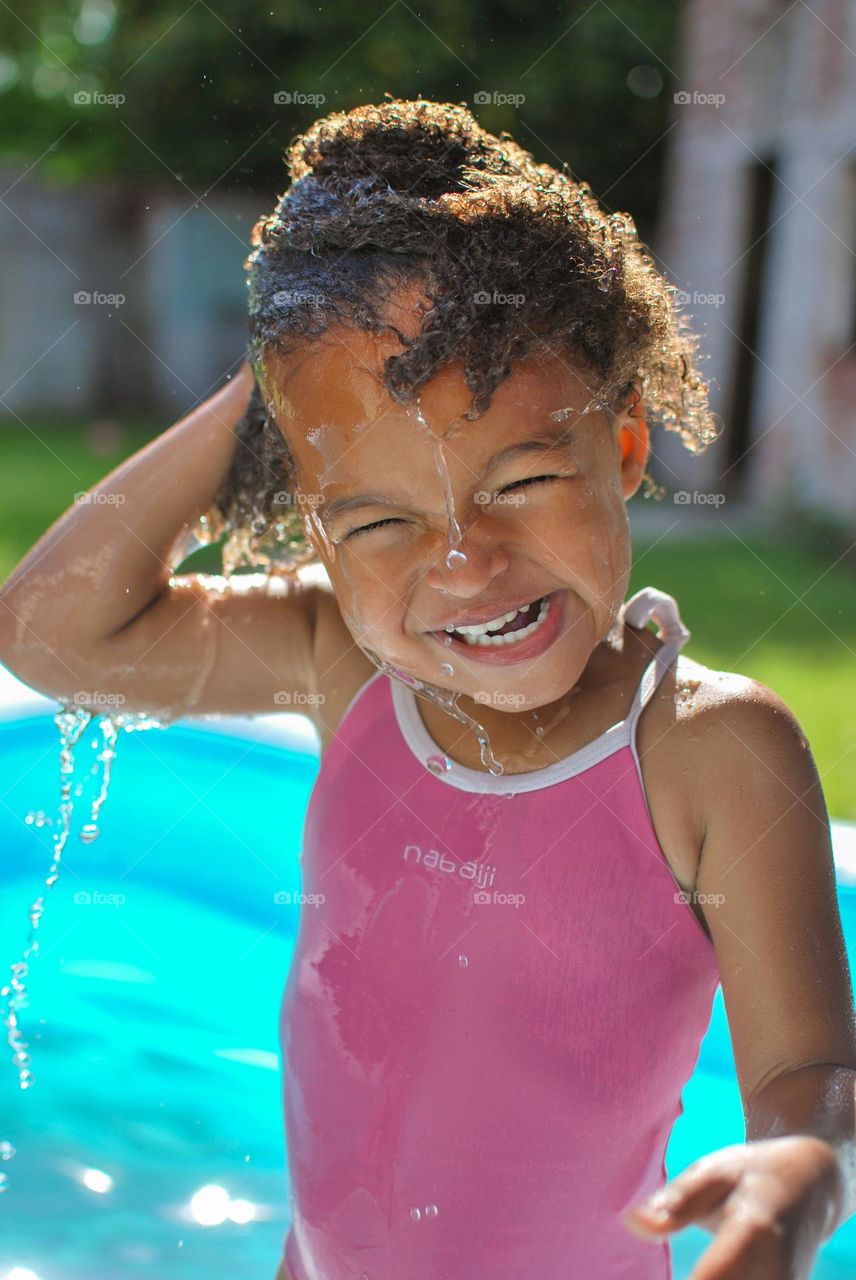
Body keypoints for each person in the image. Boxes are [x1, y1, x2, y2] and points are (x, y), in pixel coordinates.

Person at [2, 99, 855, 1280]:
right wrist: (279, 387)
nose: (463, 562)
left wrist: (798, 1173)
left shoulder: (704, 749)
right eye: (381, 518)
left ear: (620, 448)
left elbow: (807, 1067)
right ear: (317, 529)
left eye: (523, 478)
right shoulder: (344, 659)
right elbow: (51, 633)